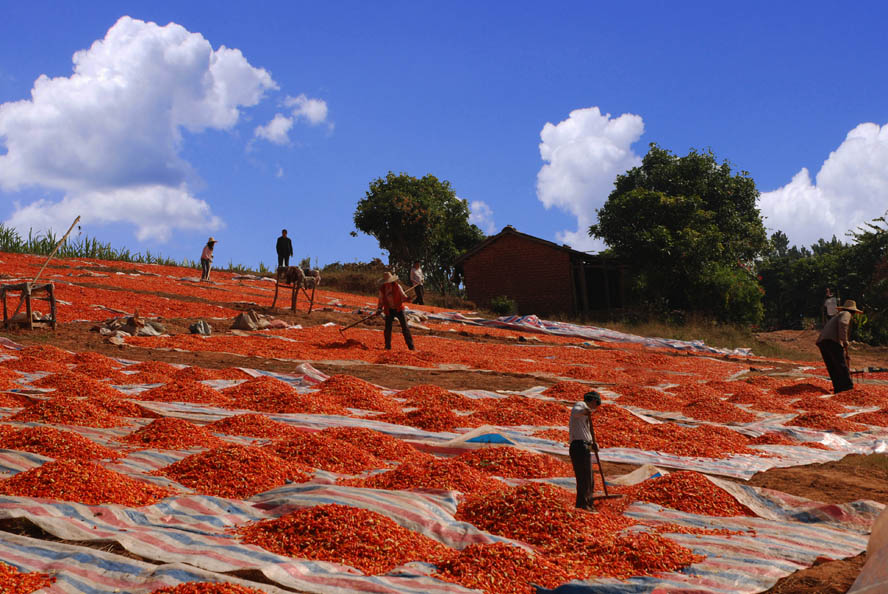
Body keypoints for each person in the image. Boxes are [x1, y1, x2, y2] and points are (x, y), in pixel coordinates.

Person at [816, 299, 863, 393]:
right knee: (841, 364)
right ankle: (848, 388)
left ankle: (838, 388)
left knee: (832, 366)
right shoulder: (846, 313)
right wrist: (844, 341)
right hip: (832, 341)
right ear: (853, 311)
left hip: (823, 341)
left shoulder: (837, 315)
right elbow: (843, 324)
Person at [569, 390, 601, 511]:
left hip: (584, 446)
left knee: (589, 478)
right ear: (593, 401)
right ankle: (583, 505)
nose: (596, 408)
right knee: (584, 477)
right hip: (578, 447)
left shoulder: (585, 416)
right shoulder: (581, 405)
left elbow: (586, 433)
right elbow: (576, 412)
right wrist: (586, 411)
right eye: (596, 405)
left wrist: (593, 443)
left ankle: (587, 503)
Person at [377, 271, 415, 351]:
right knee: (388, 329)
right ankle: (387, 346)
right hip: (389, 309)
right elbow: (381, 300)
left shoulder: (397, 286)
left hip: (399, 309)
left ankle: (411, 347)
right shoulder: (382, 289)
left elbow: (403, 297)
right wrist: (379, 308)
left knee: (405, 328)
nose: (388, 283)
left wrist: (408, 299)